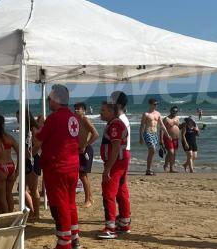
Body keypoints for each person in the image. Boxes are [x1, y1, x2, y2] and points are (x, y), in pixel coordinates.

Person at [35, 84, 80, 249]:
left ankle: (64, 244)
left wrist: (37, 128)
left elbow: (39, 139)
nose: (48, 101)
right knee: (70, 203)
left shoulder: (54, 118)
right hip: (72, 165)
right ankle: (74, 238)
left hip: (57, 167)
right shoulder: (73, 117)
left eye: (49, 99)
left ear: (55, 100)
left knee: (60, 205)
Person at [98, 100, 131, 238]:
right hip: (121, 161)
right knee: (121, 191)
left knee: (109, 193)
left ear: (112, 111)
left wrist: (108, 169)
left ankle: (110, 227)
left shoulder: (115, 125)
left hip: (116, 162)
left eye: (103, 110)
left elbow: (116, 147)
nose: (100, 113)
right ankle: (124, 223)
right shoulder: (115, 123)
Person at [16, 108, 41, 220]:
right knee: (21, 188)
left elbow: (38, 145)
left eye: (18, 117)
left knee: (33, 188)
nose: (17, 119)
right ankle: (32, 211)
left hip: (32, 160)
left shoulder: (32, 129)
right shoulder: (24, 129)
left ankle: (36, 214)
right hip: (27, 160)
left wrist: (28, 154)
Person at [73, 102, 99, 208]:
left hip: (86, 150)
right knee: (83, 175)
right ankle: (90, 197)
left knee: (83, 175)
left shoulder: (85, 120)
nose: (76, 110)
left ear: (83, 110)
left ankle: (88, 199)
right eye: (75, 108)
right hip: (79, 150)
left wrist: (85, 145)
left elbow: (96, 134)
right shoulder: (75, 120)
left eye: (78, 109)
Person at [139, 98, 170, 175]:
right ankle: (148, 169)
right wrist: (141, 137)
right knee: (152, 149)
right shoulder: (146, 114)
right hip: (147, 133)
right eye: (155, 104)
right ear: (150, 104)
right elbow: (142, 126)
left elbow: (162, 125)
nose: (156, 105)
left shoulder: (158, 114)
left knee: (152, 152)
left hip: (155, 134)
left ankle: (149, 169)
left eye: (157, 104)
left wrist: (167, 134)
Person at [161, 106, 180, 173]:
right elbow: (162, 129)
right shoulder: (166, 119)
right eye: (173, 111)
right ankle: (170, 168)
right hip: (168, 137)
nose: (174, 112)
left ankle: (168, 166)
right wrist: (161, 140)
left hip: (176, 138)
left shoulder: (177, 118)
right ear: (170, 111)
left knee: (173, 153)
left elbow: (178, 127)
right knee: (171, 152)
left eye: (176, 111)